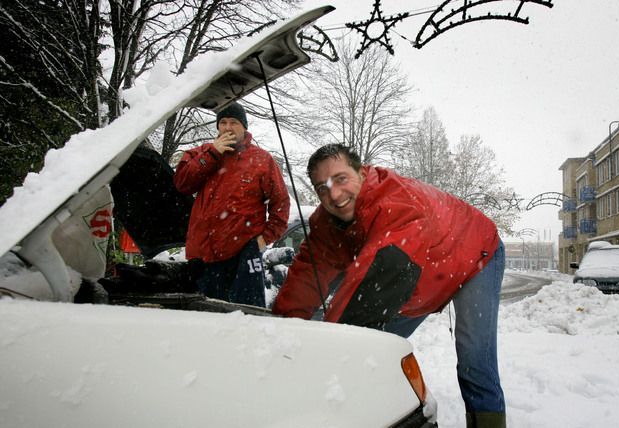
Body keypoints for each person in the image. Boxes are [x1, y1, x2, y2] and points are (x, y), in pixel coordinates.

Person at [272, 144, 506, 427]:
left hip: (473, 255)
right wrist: (280, 332)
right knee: (378, 351)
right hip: (423, 275)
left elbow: (375, 277)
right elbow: (307, 274)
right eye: (322, 188)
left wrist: (332, 349)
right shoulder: (326, 223)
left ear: (361, 172)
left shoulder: (395, 202)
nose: (334, 194)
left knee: (474, 361)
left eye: (341, 179)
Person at [174, 102, 289, 307]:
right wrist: (212, 154)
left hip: (243, 259)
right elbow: (182, 183)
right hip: (202, 259)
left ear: (244, 127)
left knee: (246, 320)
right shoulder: (201, 153)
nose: (228, 127)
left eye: (234, 122)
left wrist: (259, 244)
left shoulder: (262, 160)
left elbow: (281, 207)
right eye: (223, 122)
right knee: (204, 322)